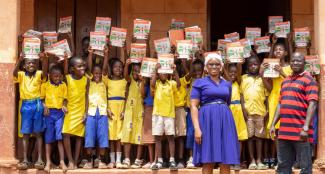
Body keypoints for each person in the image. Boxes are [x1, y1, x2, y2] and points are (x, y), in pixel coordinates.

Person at [190, 53, 240, 174]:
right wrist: (197, 128)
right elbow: (193, 106)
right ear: (206, 67)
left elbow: (226, 103)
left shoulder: (227, 84)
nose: (214, 66)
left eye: (217, 64)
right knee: (208, 160)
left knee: (226, 160)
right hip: (207, 122)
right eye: (211, 64)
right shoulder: (199, 83)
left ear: (221, 67)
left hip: (225, 122)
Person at [270, 52, 318, 174]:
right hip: (284, 132)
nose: (295, 63)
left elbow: (312, 104)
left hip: (301, 132)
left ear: (304, 63)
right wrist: (272, 124)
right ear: (290, 63)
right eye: (293, 61)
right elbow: (280, 104)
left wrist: (306, 128)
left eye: (298, 61)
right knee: (283, 166)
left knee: (305, 167)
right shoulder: (285, 81)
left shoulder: (309, 80)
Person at [14, 53, 48, 170]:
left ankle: (39, 159)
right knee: (26, 133)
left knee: (38, 133)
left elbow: (44, 72)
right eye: (28, 63)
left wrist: (44, 60)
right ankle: (25, 160)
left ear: (37, 65)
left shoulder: (39, 74)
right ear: (24, 66)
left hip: (37, 104)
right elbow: (14, 73)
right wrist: (20, 59)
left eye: (33, 63)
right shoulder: (21, 74)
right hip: (26, 105)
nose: (31, 65)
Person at [262, 36, 292, 168]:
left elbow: (293, 82)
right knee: (276, 132)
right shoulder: (271, 67)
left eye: (281, 49)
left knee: (288, 130)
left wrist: (282, 73)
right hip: (275, 99)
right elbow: (269, 87)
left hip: (288, 99)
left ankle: (289, 161)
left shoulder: (290, 66)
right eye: (276, 50)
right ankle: (281, 161)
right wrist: (263, 74)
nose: (278, 51)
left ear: (286, 53)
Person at [82, 47, 110, 169]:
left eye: (99, 73)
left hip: (103, 112)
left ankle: (101, 160)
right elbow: (88, 67)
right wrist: (90, 54)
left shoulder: (104, 81)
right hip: (91, 112)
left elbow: (104, 68)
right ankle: (89, 161)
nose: (97, 75)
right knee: (89, 137)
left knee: (103, 137)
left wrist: (106, 54)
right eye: (95, 73)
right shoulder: (89, 81)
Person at [240, 55, 269, 170]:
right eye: (251, 65)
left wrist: (267, 110)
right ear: (247, 67)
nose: (253, 66)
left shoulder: (263, 78)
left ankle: (259, 160)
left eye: (255, 64)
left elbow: (267, 95)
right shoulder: (243, 78)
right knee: (250, 137)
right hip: (248, 112)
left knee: (259, 137)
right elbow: (241, 95)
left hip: (260, 112)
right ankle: (252, 160)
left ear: (259, 65)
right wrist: (243, 109)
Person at [150, 63, 181, 171]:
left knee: (170, 137)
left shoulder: (171, 83)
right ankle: (159, 160)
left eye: (165, 72)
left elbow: (179, 84)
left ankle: (172, 160)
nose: (163, 74)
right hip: (157, 114)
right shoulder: (157, 83)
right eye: (161, 72)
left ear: (168, 74)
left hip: (169, 115)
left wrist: (175, 70)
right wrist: (155, 70)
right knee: (157, 138)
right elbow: (152, 84)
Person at [62, 56, 89, 169]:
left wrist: (86, 112)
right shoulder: (67, 78)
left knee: (79, 137)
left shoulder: (86, 79)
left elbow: (87, 96)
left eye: (83, 65)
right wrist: (63, 104)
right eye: (79, 66)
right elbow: (63, 93)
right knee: (66, 134)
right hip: (70, 111)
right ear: (72, 69)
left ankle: (76, 160)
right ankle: (71, 160)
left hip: (80, 111)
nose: (83, 68)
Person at [41, 64, 68, 172]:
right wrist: (44, 106)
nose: (57, 78)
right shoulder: (45, 85)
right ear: (50, 76)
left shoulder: (63, 85)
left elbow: (65, 99)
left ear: (61, 76)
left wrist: (64, 105)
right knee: (48, 139)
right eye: (55, 76)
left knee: (59, 138)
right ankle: (48, 162)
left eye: (59, 76)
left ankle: (61, 161)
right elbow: (42, 99)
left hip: (59, 114)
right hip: (49, 114)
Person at [119, 60, 144, 169]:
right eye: (134, 71)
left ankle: (138, 160)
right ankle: (127, 159)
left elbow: (143, 94)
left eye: (138, 71)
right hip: (130, 110)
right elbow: (125, 75)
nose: (136, 73)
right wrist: (127, 64)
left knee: (139, 135)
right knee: (127, 134)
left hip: (140, 111)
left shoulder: (143, 82)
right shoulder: (130, 81)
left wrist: (143, 81)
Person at [225, 62, 248, 170]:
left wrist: (244, 110)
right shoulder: (224, 83)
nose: (233, 74)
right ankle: (229, 161)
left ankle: (237, 161)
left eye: (235, 72)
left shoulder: (238, 83)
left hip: (238, 110)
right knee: (228, 137)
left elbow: (242, 99)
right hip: (228, 110)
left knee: (239, 138)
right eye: (230, 72)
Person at [105, 58, 127, 169]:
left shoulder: (125, 81)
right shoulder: (107, 81)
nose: (118, 69)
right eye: (115, 67)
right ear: (111, 69)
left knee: (119, 137)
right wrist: (107, 109)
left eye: (120, 67)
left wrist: (125, 110)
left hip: (121, 109)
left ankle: (118, 161)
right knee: (111, 136)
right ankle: (112, 161)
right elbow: (104, 95)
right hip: (111, 109)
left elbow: (127, 97)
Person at [185, 59, 204, 169]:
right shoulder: (189, 79)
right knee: (191, 134)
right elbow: (189, 71)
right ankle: (191, 157)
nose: (197, 72)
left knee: (202, 134)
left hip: (203, 111)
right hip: (191, 111)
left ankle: (201, 157)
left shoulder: (206, 79)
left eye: (199, 70)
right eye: (195, 70)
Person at [174, 58, 191, 168]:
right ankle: (169, 158)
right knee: (169, 137)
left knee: (180, 136)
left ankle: (180, 159)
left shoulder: (183, 80)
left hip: (180, 110)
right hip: (168, 109)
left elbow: (190, 73)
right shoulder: (167, 81)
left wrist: (184, 60)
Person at [140, 77, 155, 169]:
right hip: (148, 108)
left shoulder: (159, 83)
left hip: (158, 108)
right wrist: (143, 81)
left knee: (158, 137)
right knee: (149, 137)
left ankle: (157, 160)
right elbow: (142, 94)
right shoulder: (146, 85)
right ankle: (151, 160)